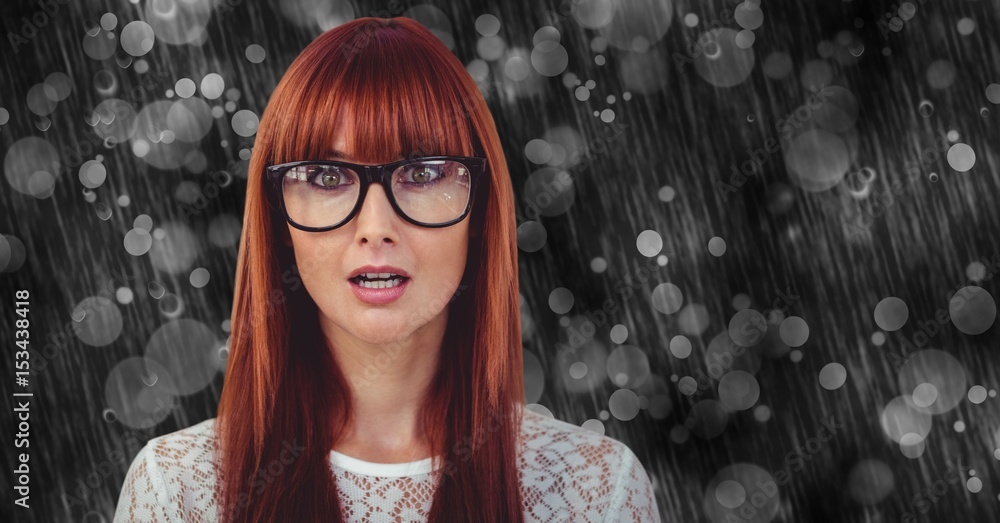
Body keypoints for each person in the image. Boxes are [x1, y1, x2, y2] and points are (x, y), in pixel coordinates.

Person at [113, 16, 661, 523]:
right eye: (328, 177)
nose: (376, 227)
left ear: (481, 210)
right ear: (279, 216)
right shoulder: (177, 489)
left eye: (422, 173)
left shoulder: (594, 490)